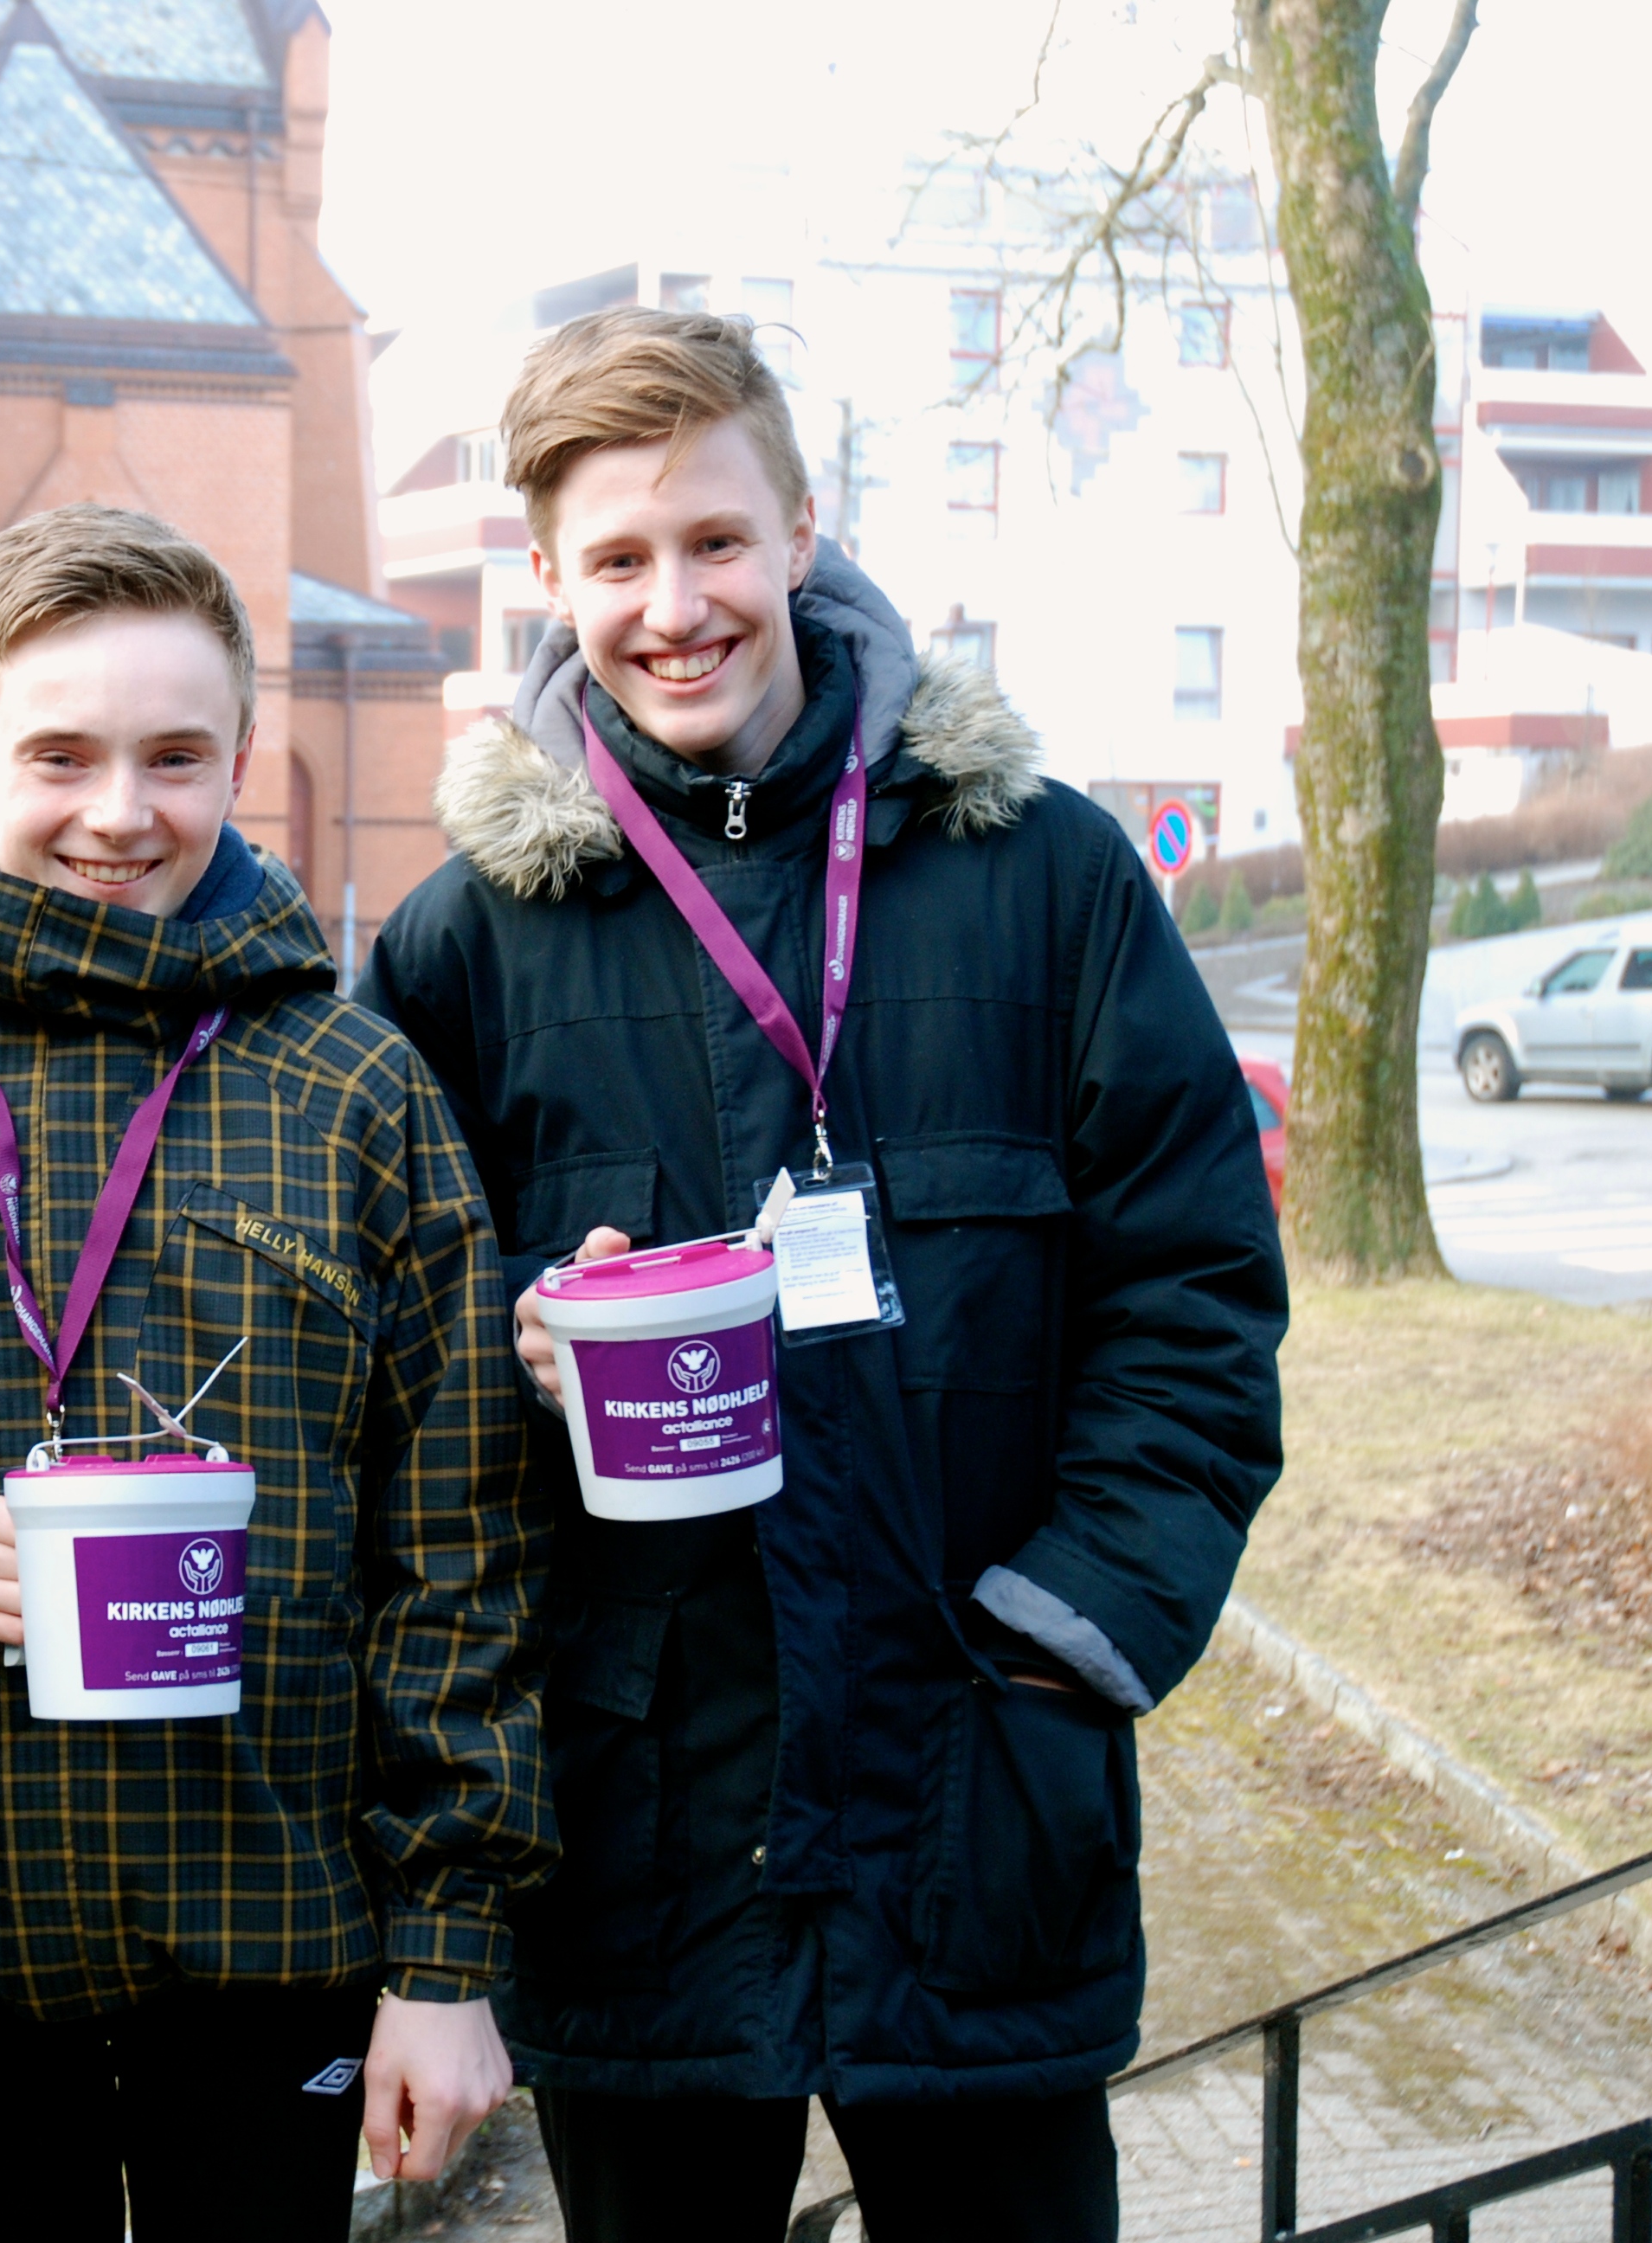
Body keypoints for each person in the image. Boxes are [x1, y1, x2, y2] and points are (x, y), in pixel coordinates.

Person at [358, 308, 1285, 2241]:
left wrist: (1065, 1635)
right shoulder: (465, 944)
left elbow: (1193, 1293)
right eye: (615, 559)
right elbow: (382, 1378)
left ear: (801, 527)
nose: (671, 603)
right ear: (544, 578)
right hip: (642, 1838)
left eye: (712, 540)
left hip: (974, 1796)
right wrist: (519, 1327)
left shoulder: (1043, 875)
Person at [0, 505, 550, 2243]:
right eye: (58, 754)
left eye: (173, 756)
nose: (119, 810)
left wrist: (443, 1955)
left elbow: (458, 1551)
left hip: (275, 1930)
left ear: (242, 758)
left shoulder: (358, 1094)